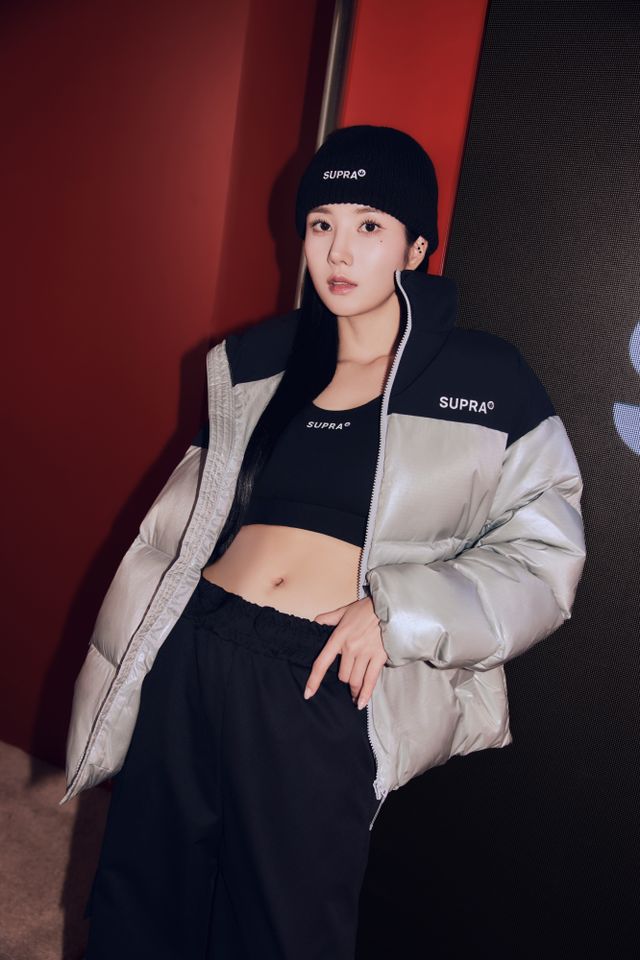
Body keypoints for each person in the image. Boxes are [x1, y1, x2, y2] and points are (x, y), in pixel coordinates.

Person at [63, 125, 586, 959]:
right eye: (321, 223)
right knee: (144, 901)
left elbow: (546, 559)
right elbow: (181, 529)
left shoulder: (488, 379)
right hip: (196, 650)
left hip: (319, 679)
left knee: (284, 929)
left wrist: (398, 611)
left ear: (417, 247)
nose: (339, 250)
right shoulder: (256, 364)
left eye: (370, 225)